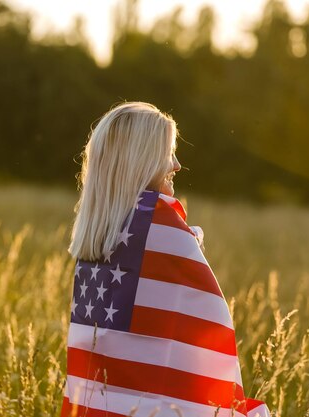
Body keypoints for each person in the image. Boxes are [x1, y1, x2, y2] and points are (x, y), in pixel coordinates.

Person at [61, 102, 270, 417]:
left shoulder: (99, 228)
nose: (177, 164)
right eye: (167, 154)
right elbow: (210, 332)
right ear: (140, 161)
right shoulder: (158, 223)